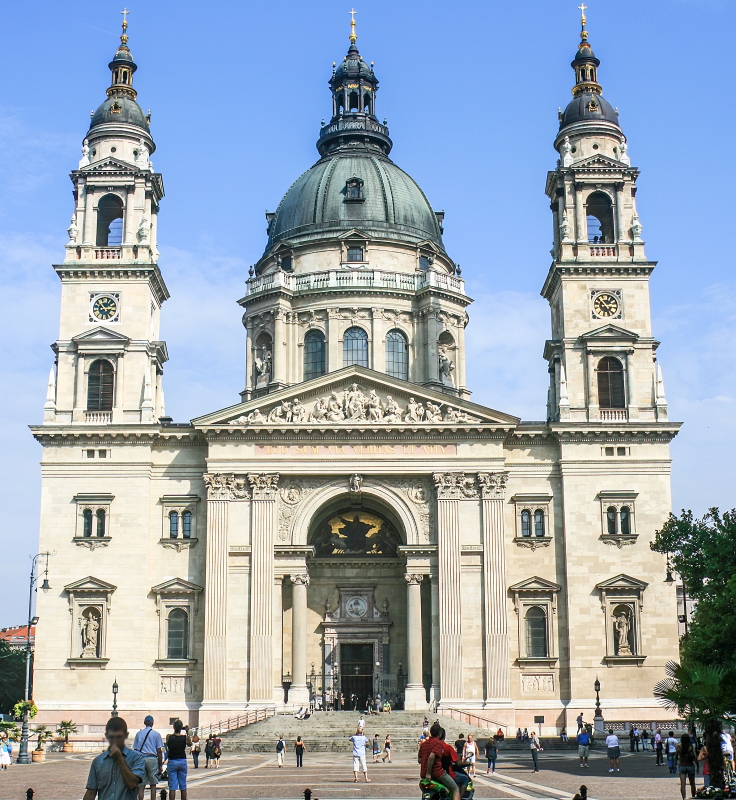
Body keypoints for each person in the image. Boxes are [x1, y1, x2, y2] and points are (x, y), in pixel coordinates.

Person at [84, 717, 146, 800]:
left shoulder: (136, 758)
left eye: (119, 737)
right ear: (107, 736)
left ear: (125, 735)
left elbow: (132, 784)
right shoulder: (98, 761)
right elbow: (91, 792)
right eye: (112, 737)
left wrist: (119, 759)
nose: (115, 741)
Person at [419, 722, 460, 800]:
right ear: (440, 733)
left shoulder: (423, 744)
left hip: (423, 774)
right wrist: (428, 773)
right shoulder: (438, 743)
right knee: (455, 789)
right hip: (436, 773)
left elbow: (419, 759)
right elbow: (431, 757)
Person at [132, 715, 164, 800]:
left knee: (141, 785)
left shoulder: (139, 734)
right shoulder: (156, 734)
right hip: (152, 759)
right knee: (153, 784)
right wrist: (160, 765)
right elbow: (159, 750)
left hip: (141, 759)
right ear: (152, 723)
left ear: (144, 723)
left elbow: (135, 749)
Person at [438, 728, 469, 798]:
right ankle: (459, 798)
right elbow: (458, 763)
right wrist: (468, 763)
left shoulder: (431, 746)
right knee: (465, 779)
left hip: (432, 773)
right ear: (444, 736)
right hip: (446, 773)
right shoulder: (447, 747)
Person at [165, 720, 191, 800]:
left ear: (174, 727)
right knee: (183, 785)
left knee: (172, 786)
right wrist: (187, 731)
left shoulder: (169, 736)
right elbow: (190, 743)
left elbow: (168, 741)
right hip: (182, 760)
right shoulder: (184, 737)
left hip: (172, 760)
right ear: (181, 728)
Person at [677, 733, 697, 799]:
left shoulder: (679, 746)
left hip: (682, 765)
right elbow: (695, 757)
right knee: (692, 783)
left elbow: (676, 756)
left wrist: (676, 763)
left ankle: (684, 798)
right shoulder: (691, 747)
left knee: (683, 784)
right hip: (690, 765)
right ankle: (693, 796)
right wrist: (698, 766)